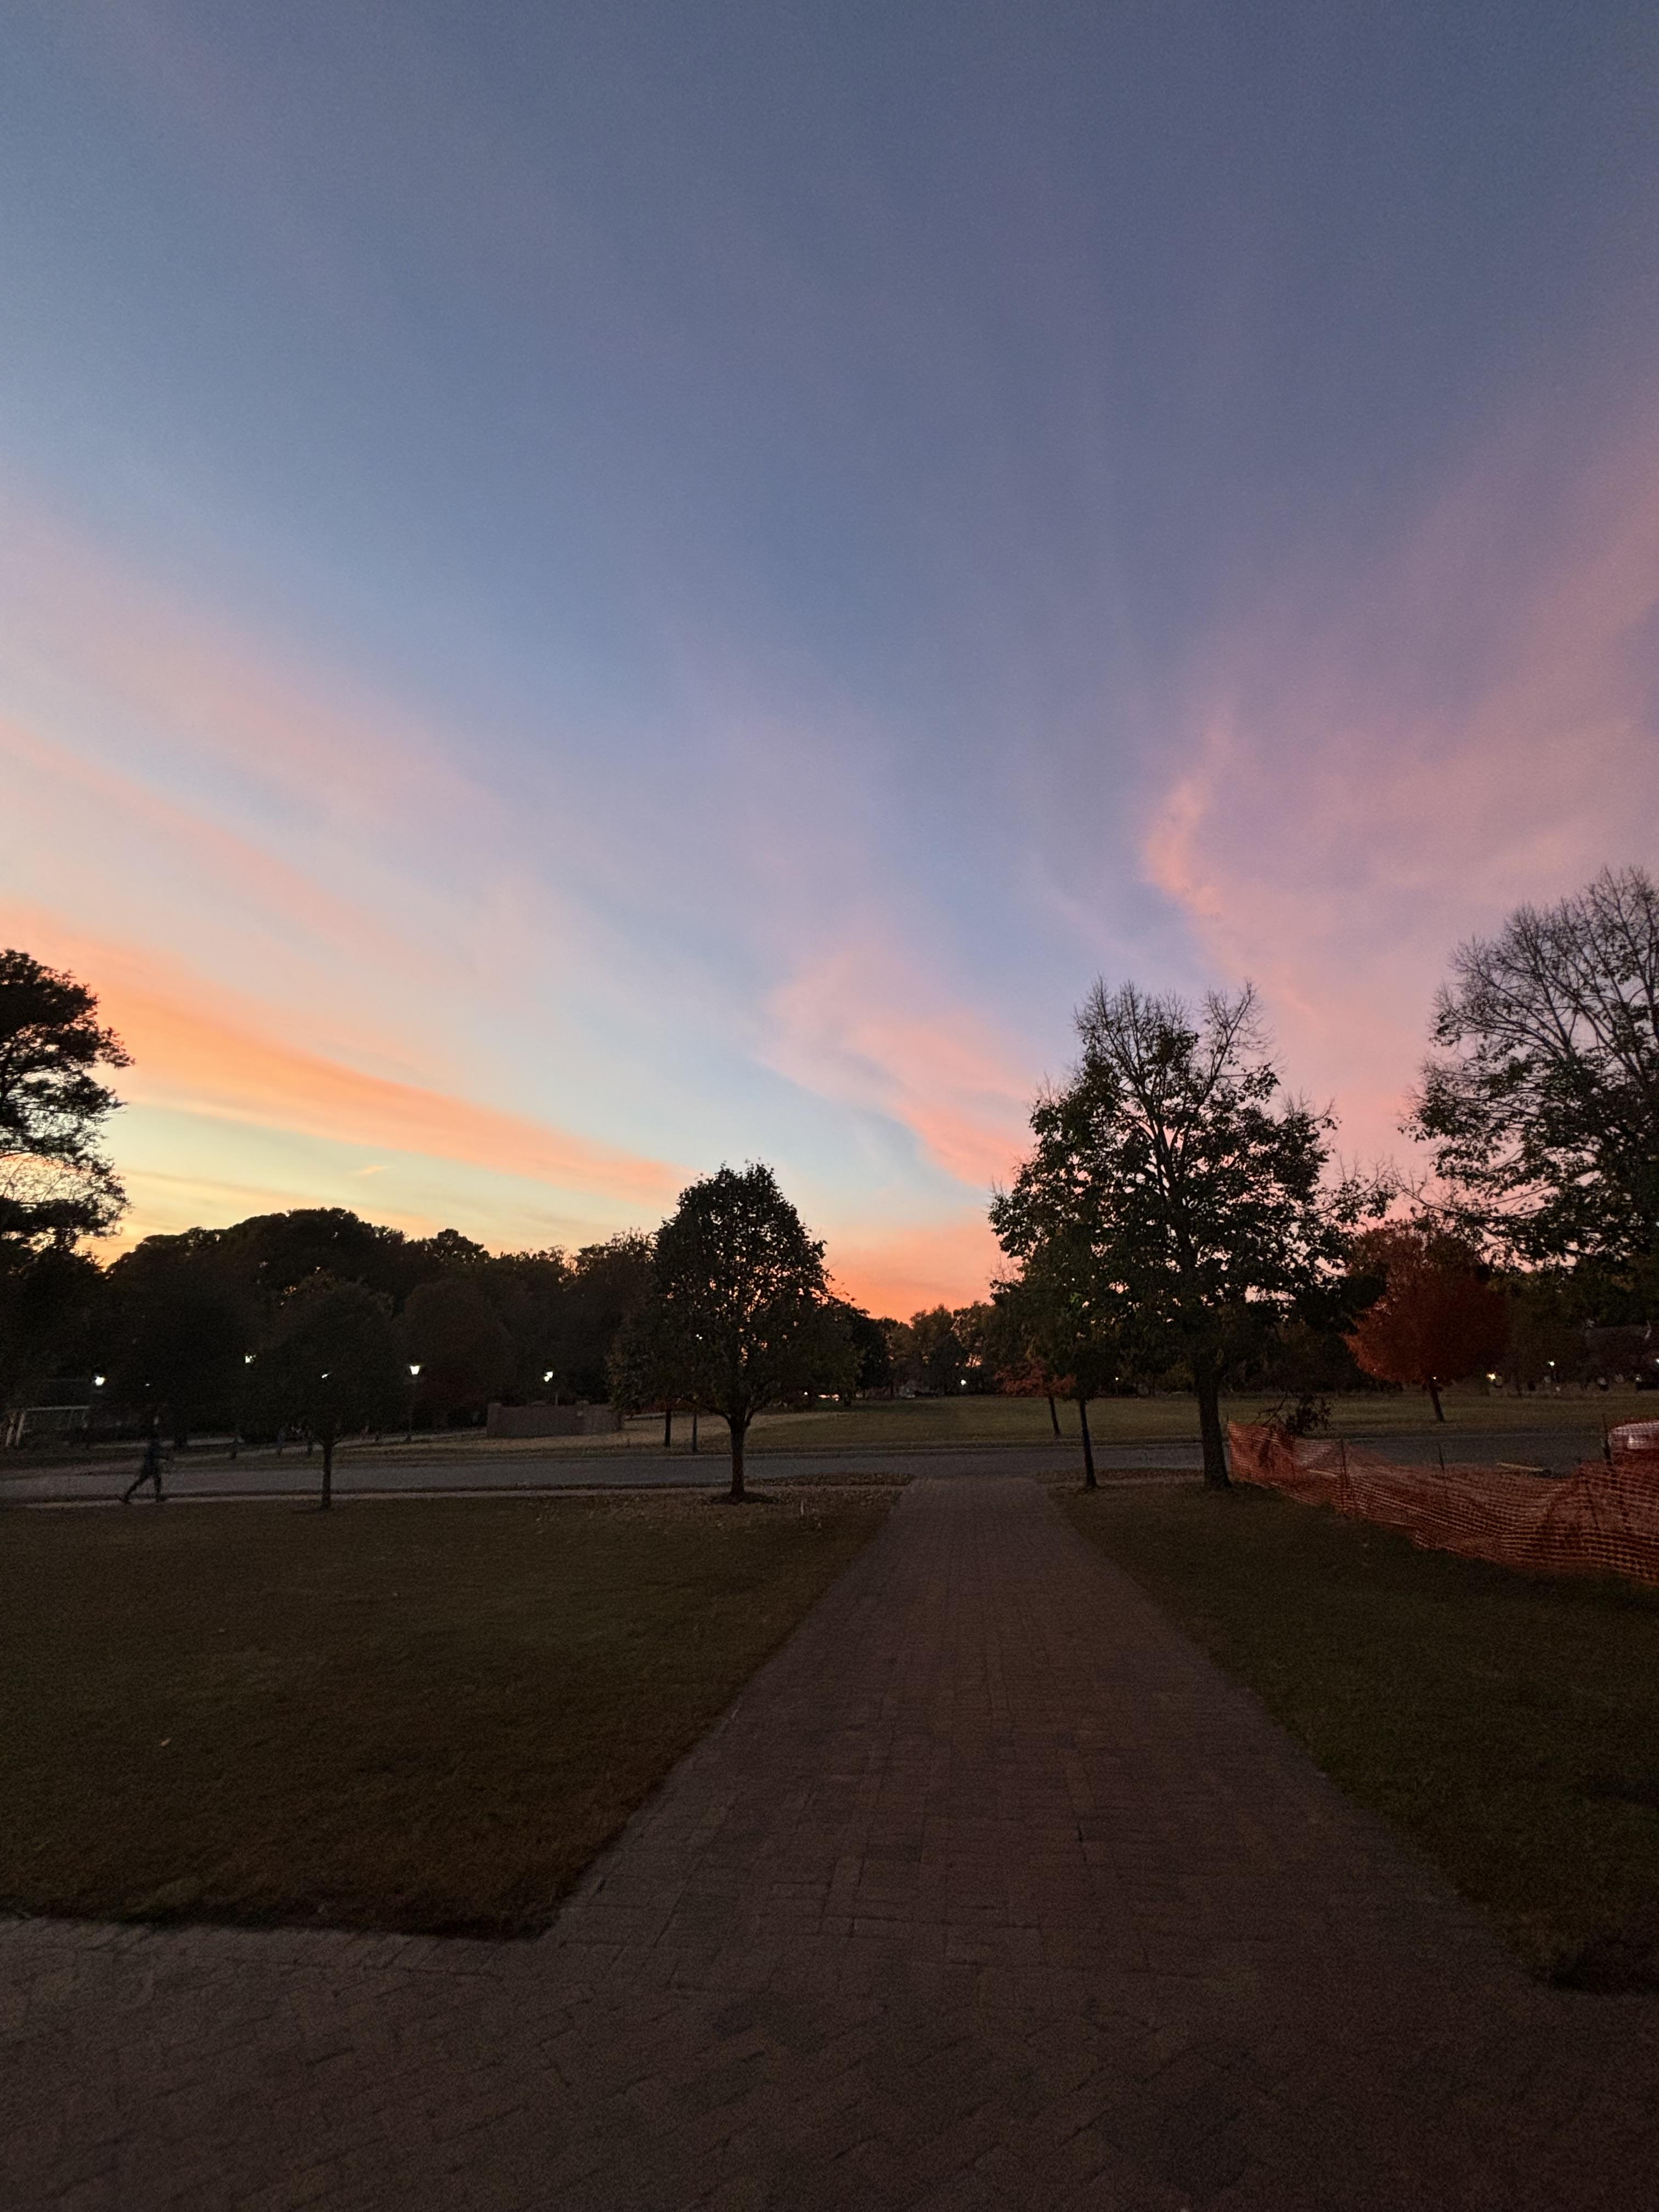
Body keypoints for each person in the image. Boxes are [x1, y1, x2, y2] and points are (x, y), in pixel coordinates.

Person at [122, 1430, 166, 1505]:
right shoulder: (154, 1445)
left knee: (147, 1480)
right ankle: (127, 1495)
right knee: (155, 1480)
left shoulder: (151, 1445)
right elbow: (156, 1454)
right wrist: (166, 1457)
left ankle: (127, 1495)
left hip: (149, 1465)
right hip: (151, 1466)